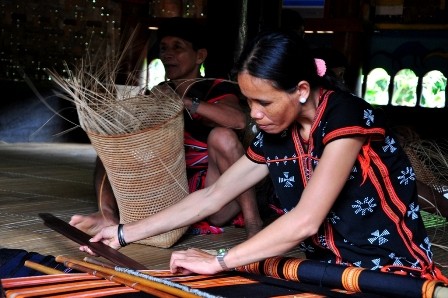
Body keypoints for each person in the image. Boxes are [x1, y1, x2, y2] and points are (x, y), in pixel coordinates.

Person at [79, 30, 448, 283]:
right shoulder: (277, 131)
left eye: (264, 102)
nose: (253, 114)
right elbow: (213, 196)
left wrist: (219, 261)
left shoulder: (344, 117)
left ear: (302, 89)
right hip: (325, 269)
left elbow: (304, 222)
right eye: (249, 101)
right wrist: (124, 233)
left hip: (393, 271)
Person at [69, 17, 264, 239]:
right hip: (170, 192)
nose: (167, 54)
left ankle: (253, 222)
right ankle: (107, 214)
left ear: (199, 55)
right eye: (164, 48)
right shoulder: (160, 91)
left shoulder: (215, 87)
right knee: (109, 148)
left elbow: (238, 120)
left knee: (223, 136)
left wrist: (187, 103)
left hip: (214, 195)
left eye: (177, 47)